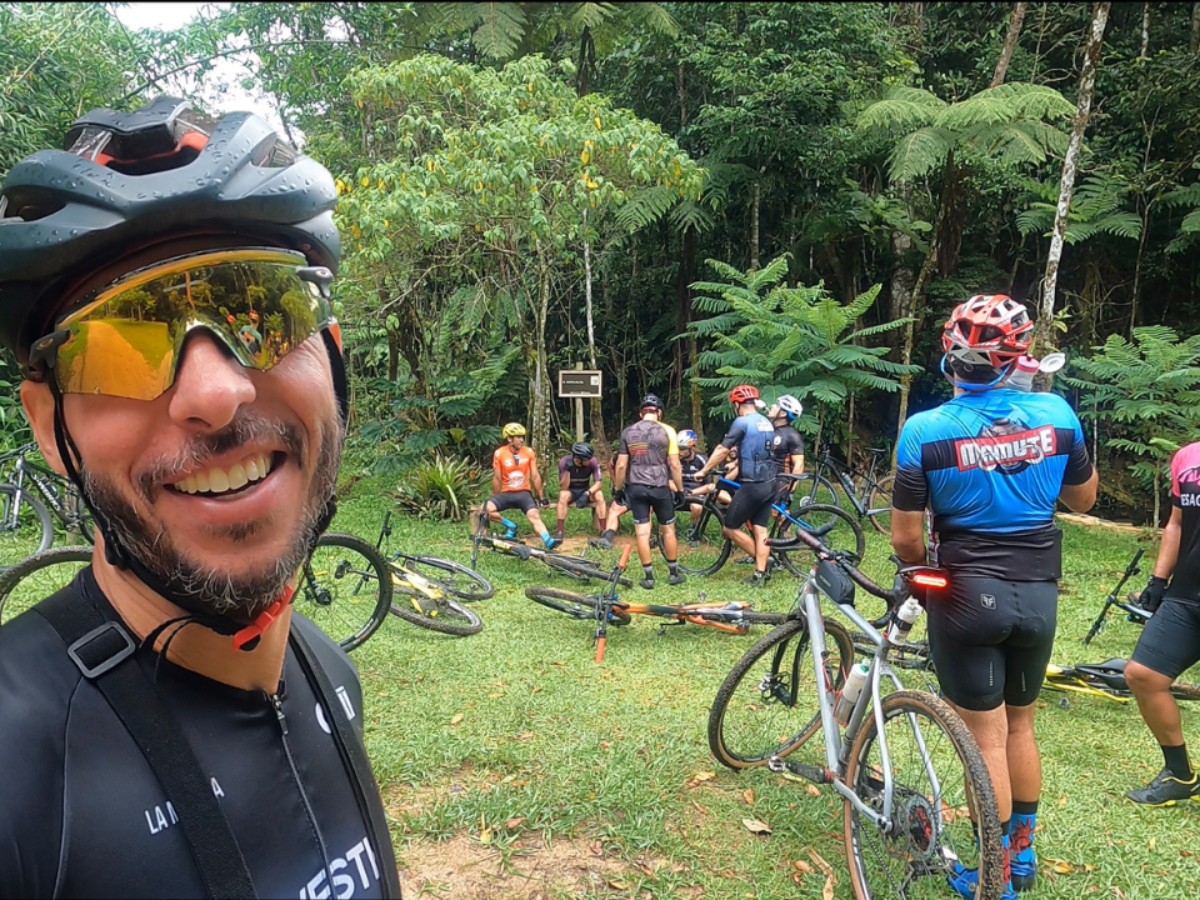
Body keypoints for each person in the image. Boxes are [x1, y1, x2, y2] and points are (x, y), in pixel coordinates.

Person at [0, 96, 401, 897]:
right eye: (116, 345)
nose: (215, 395)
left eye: (267, 308)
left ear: (331, 356)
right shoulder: (13, 762)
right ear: (48, 425)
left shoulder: (326, 670)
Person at [890, 294, 1097, 898]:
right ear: (1020, 356)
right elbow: (1083, 500)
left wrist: (922, 571)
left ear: (949, 354)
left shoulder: (925, 429)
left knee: (984, 738)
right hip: (1038, 591)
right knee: (1020, 726)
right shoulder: (1056, 412)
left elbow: (905, 539)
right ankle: (1021, 858)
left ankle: (994, 877)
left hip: (966, 593)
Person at [1123, 443, 1200, 806]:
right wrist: (1158, 579)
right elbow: (1177, 523)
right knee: (1143, 675)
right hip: (1186, 594)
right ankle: (1180, 774)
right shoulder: (1187, 458)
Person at [695, 385, 781, 587]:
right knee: (760, 529)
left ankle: (765, 560)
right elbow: (757, 450)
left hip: (753, 485)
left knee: (730, 527)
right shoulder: (765, 422)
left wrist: (704, 470)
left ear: (736, 404)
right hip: (770, 482)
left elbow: (722, 450)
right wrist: (737, 463)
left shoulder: (742, 422)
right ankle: (760, 574)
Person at [613, 394, 686, 589]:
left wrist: (618, 489)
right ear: (659, 413)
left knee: (642, 532)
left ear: (641, 413)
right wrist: (680, 490)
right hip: (660, 486)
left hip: (636, 487)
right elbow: (675, 464)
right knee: (668, 529)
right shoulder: (668, 431)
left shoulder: (628, 432)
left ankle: (648, 577)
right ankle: (673, 573)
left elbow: (621, 465)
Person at [483, 423, 560, 549]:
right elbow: (497, 478)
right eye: (518, 437)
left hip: (523, 493)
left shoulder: (528, 452)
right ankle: (511, 526)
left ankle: (548, 540)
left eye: (522, 437)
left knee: (534, 516)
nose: (522, 440)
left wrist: (541, 497)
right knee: (485, 509)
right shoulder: (499, 453)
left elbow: (535, 476)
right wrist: (494, 497)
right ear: (509, 439)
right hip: (506, 493)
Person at [554, 441, 607, 540]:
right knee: (563, 495)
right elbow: (563, 487)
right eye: (587, 459)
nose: (590, 460)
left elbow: (598, 484)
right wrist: (567, 471)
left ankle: (603, 530)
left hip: (585, 490)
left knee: (599, 494)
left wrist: (587, 494)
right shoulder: (564, 462)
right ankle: (559, 532)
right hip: (570, 491)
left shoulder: (593, 462)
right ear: (579, 460)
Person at [767, 395, 806, 505]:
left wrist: (791, 490)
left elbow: (799, 464)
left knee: (777, 513)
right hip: (765, 477)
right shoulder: (768, 429)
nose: (772, 406)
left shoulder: (792, 435)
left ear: (783, 413)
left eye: (777, 406)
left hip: (781, 480)